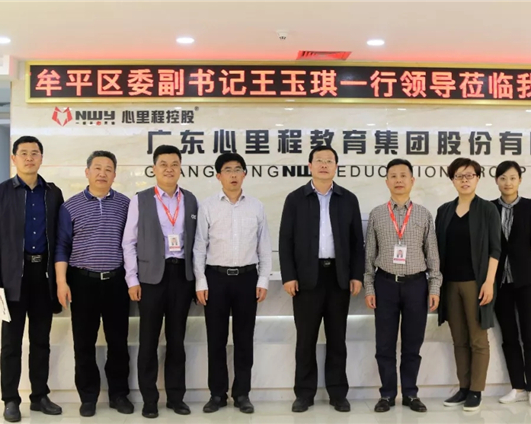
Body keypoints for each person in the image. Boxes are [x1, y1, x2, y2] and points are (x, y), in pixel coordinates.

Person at [0, 136, 64, 423]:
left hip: (43, 277)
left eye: (35, 153)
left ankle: (39, 396)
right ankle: (10, 399)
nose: (29, 158)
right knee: (11, 343)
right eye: (24, 153)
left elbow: (60, 238)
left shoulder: (52, 193)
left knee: (41, 340)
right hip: (11, 279)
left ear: (41, 158)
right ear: (14, 158)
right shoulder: (0, 193)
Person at [279, 146, 364, 413]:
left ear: (336, 166)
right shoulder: (295, 199)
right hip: (306, 279)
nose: (324, 165)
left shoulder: (348, 199)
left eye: (329, 161)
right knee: (305, 340)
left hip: (338, 278)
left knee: (338, 338)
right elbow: (285, 240)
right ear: (310, 166)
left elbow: (356, 242)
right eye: (319, 160)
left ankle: (338, 393)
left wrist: (356, 275)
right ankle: (304, 394)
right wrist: (289, 276)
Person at [122, 145, 198, 419]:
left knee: (177, 340)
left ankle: (176, 398)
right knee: (148, 341)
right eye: (163, 164)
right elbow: (129, 242)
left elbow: (198, 242)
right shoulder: (140, 199)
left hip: (182, 277)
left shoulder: (190, 200)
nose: (169, 169)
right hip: (151, 278)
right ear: (154, 169)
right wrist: (132, 279)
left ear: (180, 168)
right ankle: (150, 400)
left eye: (174, 164)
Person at [55, 151, 133, 417]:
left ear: (115, 175)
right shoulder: (70, 206)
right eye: (97, 168)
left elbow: (132, 244)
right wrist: (61, 282)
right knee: (84, 343)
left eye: (108, 169)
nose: (102, 173)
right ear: (87, 172)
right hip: (82, 282)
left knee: (118, 342)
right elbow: (62, 246)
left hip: (116, 282)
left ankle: (119, 395)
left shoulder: (125, 204)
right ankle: (88, 397)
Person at [193, 153, 272, 414]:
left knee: (244, 339)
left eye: (238, 169)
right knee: (215, 339)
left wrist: (263, 279)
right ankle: (217, 394)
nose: (234, 174)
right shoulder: (207, 206)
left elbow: (264, 246)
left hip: (247, 279)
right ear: (219, 176)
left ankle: (242, 394)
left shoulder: (256, 206)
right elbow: (199, 246)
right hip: (215, 278)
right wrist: (201, 281)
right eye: (228, 170)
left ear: (245, 174)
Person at [364, 159, 442, 414]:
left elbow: (432, 255)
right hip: (385, 284)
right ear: (387, 181)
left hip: (416, 285)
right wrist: (369, 287)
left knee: (412, 344)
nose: (398, 180)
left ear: (412, 180)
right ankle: (387, 394)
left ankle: (410, 393)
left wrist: (434, 287)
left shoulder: (423, 214)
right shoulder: (377, 214)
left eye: (403, 175)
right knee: (384, 345)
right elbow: (369, 255)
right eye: (393, 176)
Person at [435, 157, 500, 412]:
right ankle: (463, 388)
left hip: (476, 283)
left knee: (478, 339)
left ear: (478, 178)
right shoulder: (444, 211)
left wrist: (489, 282)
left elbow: (495, 248)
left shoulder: (487, 209)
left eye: (469, 175)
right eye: (459, 176)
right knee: (459, 338)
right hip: (450, 284)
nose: (464, 180)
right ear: (452, 180)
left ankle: (476, 390)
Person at [491, 161, 531, 408]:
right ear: (496, 181)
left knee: (530, 335)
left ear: (520, 180)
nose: (508, 183)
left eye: (512, 178)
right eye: (503, 178)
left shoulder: (530, 206)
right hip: (499, 282)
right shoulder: (490, 208)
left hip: (527, 279)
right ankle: (517, 387)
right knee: (509, 336)